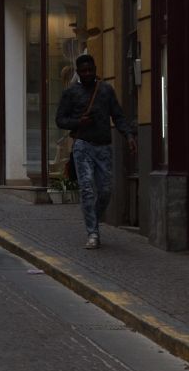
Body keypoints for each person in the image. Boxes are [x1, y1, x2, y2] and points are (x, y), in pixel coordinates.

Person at [53, 53, 135, 250]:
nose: (88, 73)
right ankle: (93, 233)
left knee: (105, 191)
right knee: (87, 189)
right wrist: (78, 122)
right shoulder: (71, 93)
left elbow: (118, 115)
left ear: (96, 69)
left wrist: (129, 135)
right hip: (82, 146)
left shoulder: (106, 90)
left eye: (91, 69)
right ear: (79, 73)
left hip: (104, 147)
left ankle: (93, 221)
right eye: (84, 71)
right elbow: (60, 120)